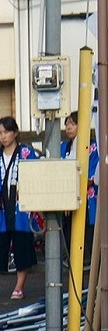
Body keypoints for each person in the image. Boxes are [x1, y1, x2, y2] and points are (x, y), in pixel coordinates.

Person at [0, 116, 38, 299]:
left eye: (7, 132)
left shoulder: (26, 152)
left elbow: (35, 176)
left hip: (21, 207)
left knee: (22, 248)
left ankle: (19, 287)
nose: (3, 136)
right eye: (0, 133)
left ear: (15, 133)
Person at [60, 110, 99, 257]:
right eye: (67, 123)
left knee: (87, 233)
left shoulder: (93, 146)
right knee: (68, 231)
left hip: (86, 198)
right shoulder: (63, 146)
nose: (69, 127)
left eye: (73, 123)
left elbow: (90, 177)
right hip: (67, 198)